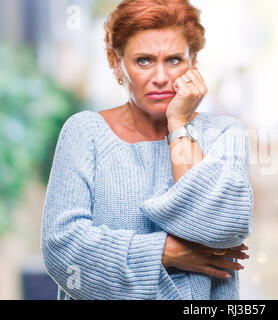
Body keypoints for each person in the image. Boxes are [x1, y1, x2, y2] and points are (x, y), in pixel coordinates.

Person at [40, 0, 254, 300]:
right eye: (143, 60)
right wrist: (164, 253)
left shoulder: (224, 134)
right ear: (117, 63)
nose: (161, 77)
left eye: (175, 60)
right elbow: (62, 248)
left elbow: (217, 226)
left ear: (193, 62)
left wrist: (178, 124)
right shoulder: (85, 134)